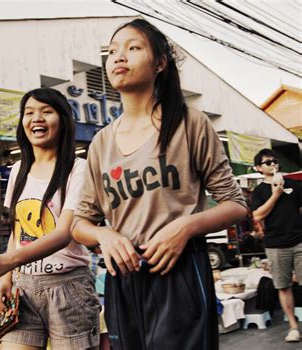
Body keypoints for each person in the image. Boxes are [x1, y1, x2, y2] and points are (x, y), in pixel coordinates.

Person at [71, 19, 248, 350]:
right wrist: (105, 235)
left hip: (180, 273)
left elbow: (235, 204)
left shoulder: (189, 123)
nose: (119, 57)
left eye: (133, 48)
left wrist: (184, 228)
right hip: (122, 279)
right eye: (112, 51)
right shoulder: (100, 143)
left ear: (160, 63)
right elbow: (80, 224)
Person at [0, 88, 101, 350]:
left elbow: (65, 232)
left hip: (68, 287)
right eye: (29, 113)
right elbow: (17, 231)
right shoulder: (18, 170)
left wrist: (6, 262)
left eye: (46, 111)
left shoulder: (78, 168)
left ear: (63, 120)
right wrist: (5, 279)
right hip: (22, 289)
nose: (36, 118)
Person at [250, 148, 302, 342]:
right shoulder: (259, 191)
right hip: (276, 244)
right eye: (268, 162)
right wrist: (276, 194)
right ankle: (293, 327)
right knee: (283, 286)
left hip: (299, 240)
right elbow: (257, 215)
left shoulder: (295, 185)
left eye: (275, 160)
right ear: (259, 168)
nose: (273, 164)